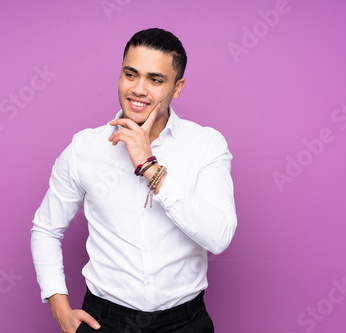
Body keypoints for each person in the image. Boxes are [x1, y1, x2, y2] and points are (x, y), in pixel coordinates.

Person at [31, 28, 237, 333]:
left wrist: (149, 165)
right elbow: (46, 229)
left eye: (155, 80)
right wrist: (59, 307)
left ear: (177, 87)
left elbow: (218, 237)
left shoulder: (206, 145)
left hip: (186, 323)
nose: (139, 89)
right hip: (105, 321)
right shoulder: (85, 148)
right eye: (131, 74)